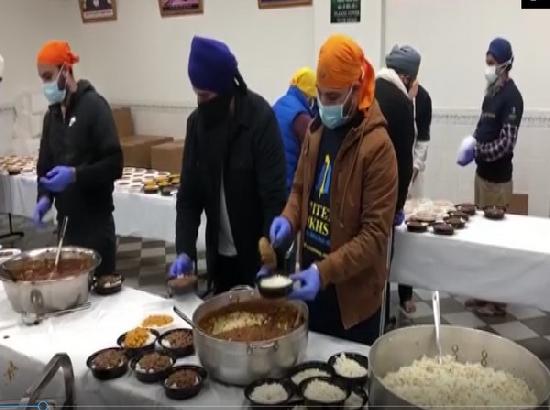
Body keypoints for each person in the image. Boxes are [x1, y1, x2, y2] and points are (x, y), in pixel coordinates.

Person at [263, 34, 398, 345]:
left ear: (356, 88)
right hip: (312, 287)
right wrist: (288, 219)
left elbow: (375, 235)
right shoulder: (316, 131)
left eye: (334, 97)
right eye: (321, 96)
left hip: (352, 301)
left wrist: (325, 272)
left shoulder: (377, 147)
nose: (325, 105)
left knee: (348, 382)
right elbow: (299, 190)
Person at [170, 36, 286, 294]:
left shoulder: (259, 120)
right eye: (196, 94)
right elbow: (188, 198)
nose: (201, 102)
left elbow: (274, 197)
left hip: (259, 258)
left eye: (205, 95)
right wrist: (185, 251)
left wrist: (272, 252)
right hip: (221, 261)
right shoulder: (197, 125)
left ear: (225, 89)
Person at [33, 40, 122, 278]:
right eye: (42, 78)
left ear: (66, 70)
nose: (45, 84)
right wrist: (44, 197)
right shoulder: (51, 117)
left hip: (96, 225)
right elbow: (44, 168)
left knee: (102, 301)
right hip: (66, 227)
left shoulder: (94, 106)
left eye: (48, 76)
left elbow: (114, 164)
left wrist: (75, 175)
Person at [457, 37, 523, 316]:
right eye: (487, 62)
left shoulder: (512, 98)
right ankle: (483, 293)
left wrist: (479, 151)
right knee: (482, 238)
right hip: (482, 176)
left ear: (505, 64)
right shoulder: (491, 93)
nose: (488, 67)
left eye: (492, 63)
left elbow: (506, 143)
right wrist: (470, 142)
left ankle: (498, 301)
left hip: (498, 181)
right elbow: (483, 126)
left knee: (497, 243)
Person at [375, 45, 419, 314]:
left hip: (357, 194)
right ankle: (380, 320)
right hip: (384, 197)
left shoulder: (367, 89)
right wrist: (399, 205)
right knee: (381, 261)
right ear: (406, 77)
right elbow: (403, 161)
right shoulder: (400, 103)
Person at [273, 67, 318, 195]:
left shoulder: (278, 104)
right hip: (289, 190)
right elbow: (312, 160)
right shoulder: (302, 118)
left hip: (272, 182)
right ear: (310, 98)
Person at [407, 79, 432, 199]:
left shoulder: (423, 98)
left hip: (414, 170)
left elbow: (423, 139)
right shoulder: (388, 93)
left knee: (414, 212)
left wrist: (415, 167)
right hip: (390, 169)